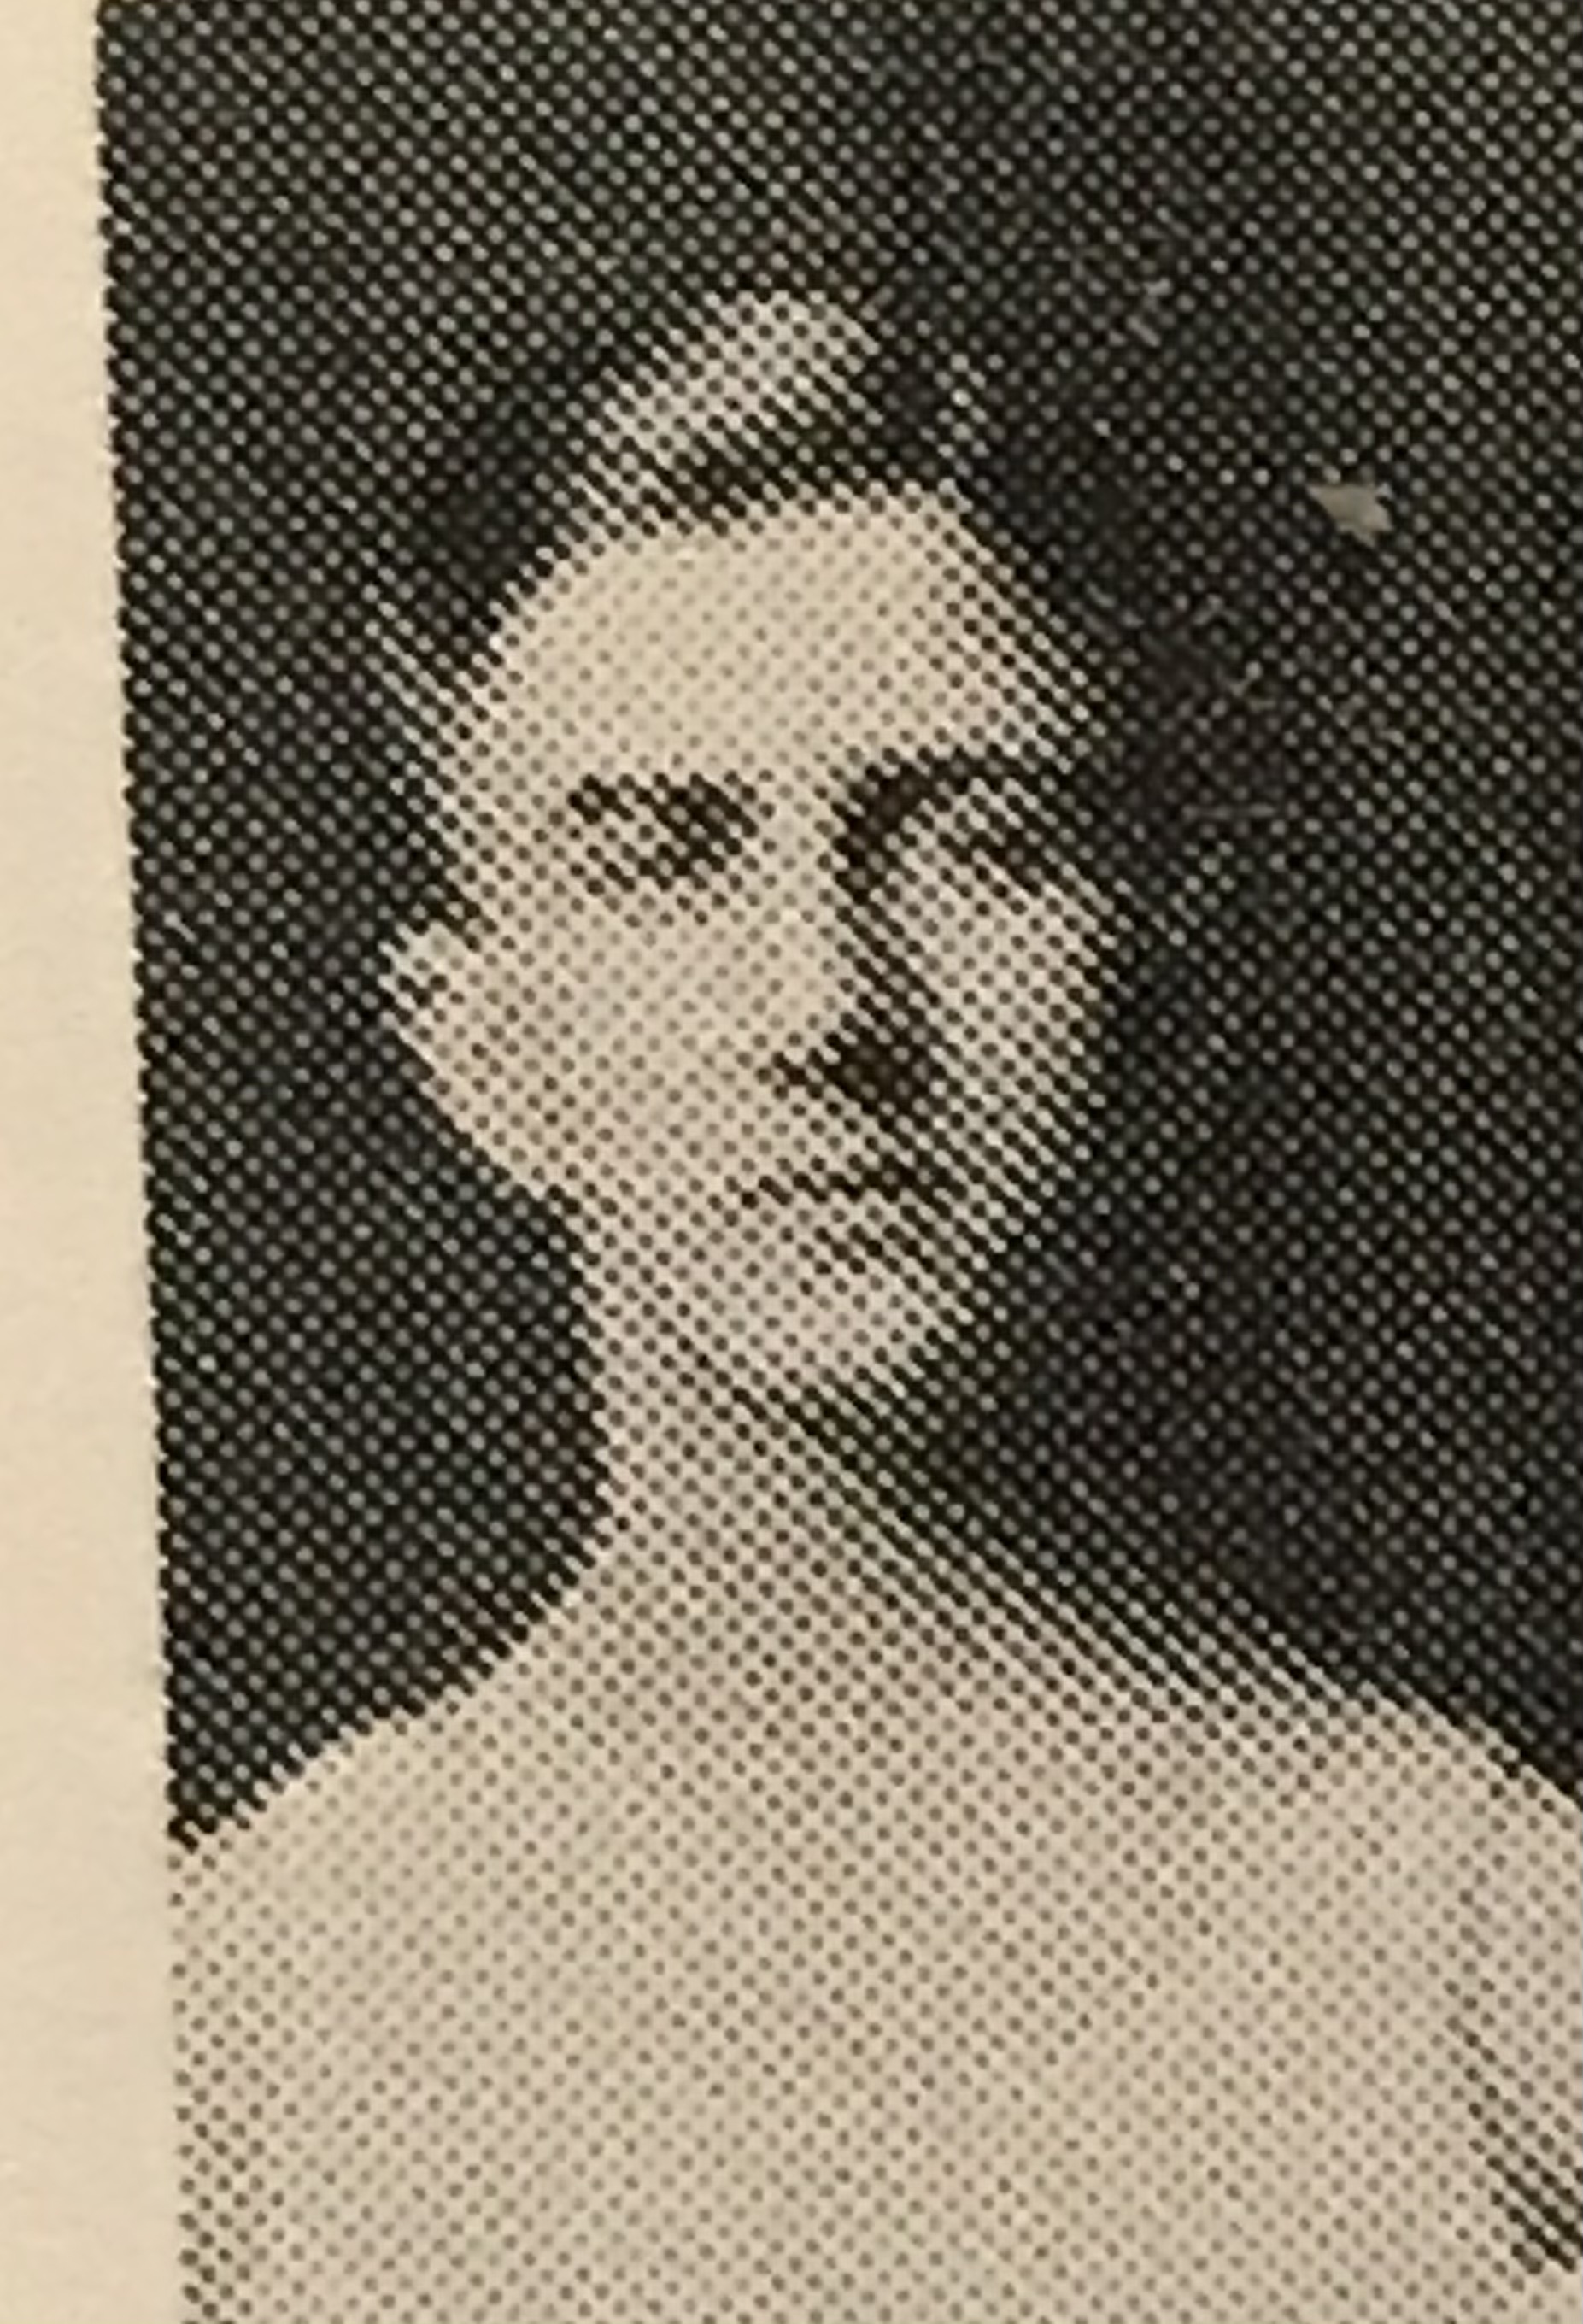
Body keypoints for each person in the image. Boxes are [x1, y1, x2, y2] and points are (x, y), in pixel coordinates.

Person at [172, 285, 1580, 2324]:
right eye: (662, 858)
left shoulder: (1493, 1982)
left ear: (1163, 993)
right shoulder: (236, 2035)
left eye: (978, 842)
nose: (824, 1005)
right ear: (488, 1057)